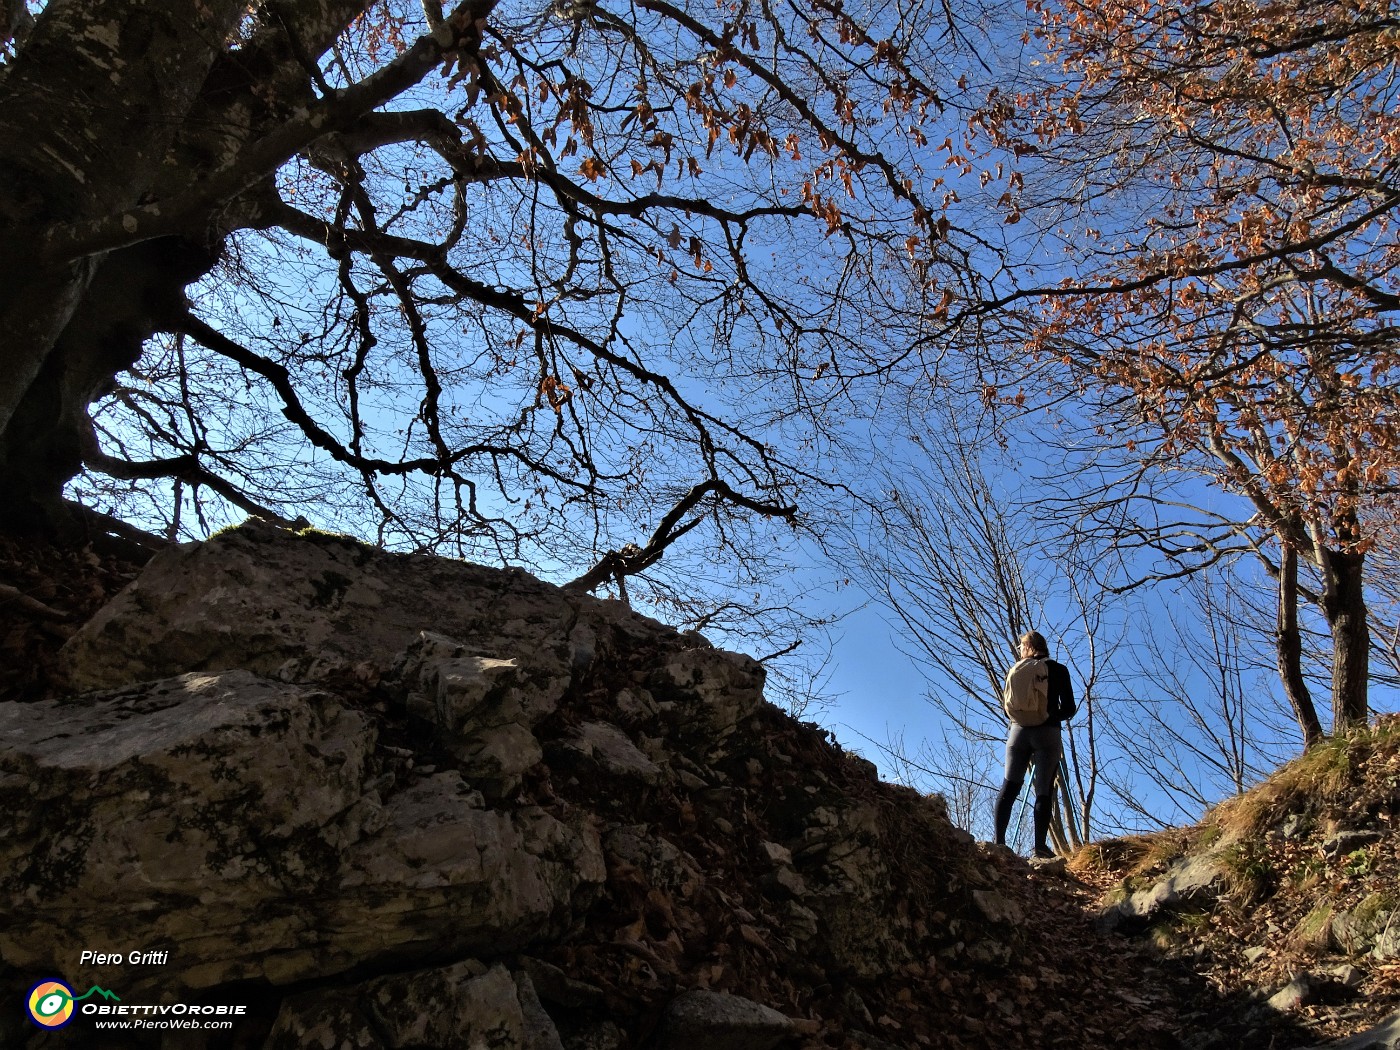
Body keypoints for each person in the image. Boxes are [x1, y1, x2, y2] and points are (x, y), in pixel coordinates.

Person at [992, 630, 1076, 858]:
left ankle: (999, 843)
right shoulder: (1058, 669)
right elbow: (1070, 708)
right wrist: (1051, 716)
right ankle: (1040, 847)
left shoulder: (1018, 670)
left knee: (1009, 787)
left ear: (1028, 647)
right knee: (1043, 791)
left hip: (1018, 732)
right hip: (1047, 732)